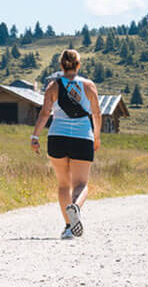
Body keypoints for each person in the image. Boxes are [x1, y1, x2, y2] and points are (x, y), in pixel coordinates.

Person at [30, 49, 100, 238]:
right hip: (83, 137)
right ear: (79, 65)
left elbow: (45, 113)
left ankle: (69, 226)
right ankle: (75, 207)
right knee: (81, 184)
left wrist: (35, 137)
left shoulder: (53, 86)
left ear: (61, 65)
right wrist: (97, 137)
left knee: (63, 184)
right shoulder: (89, 86)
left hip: (57, 137)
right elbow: (96, 114)